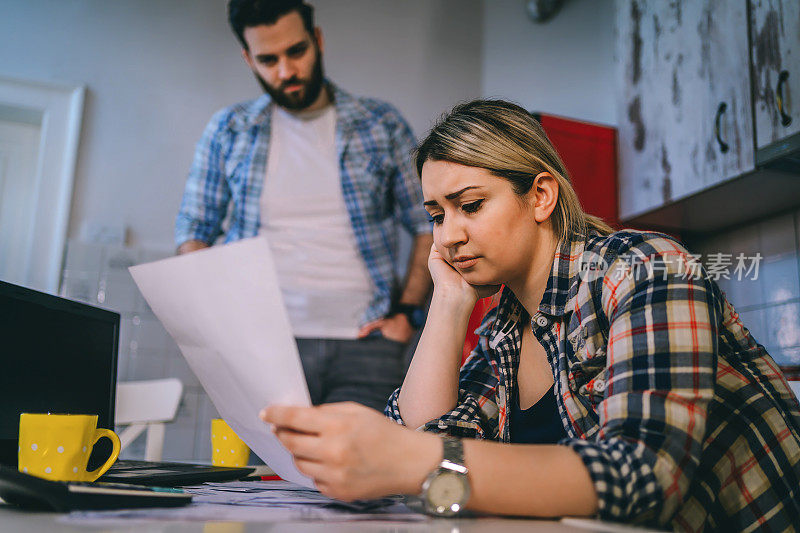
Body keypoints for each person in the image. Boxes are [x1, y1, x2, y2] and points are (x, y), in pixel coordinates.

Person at [260, 99, 800, 530]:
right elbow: (431, 440)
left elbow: (647, 478)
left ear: (540, 196)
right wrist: (448, 302)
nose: (448, 236)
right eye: (436, 215)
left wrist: (412, 461)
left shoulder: (644, 268)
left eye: (469, 206)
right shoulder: (504, 330)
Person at [175, 0, 433, 412]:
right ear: (248, 58)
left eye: (296, 52)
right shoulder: (229, 129)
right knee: (259, 476)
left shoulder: (380, 124)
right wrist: (223, 323)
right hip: (261, 348)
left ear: (317, 40)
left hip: (368, 347)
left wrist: (406, 314)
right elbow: (193, 231)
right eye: (268, 59)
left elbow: (428, 221)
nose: (285, 72)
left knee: (360, 475)